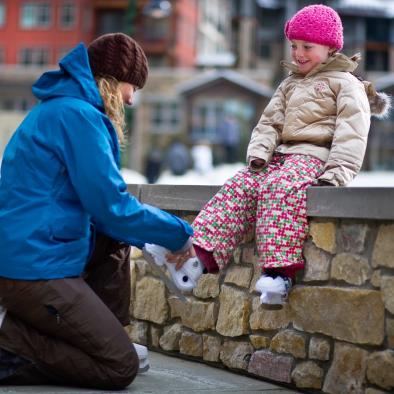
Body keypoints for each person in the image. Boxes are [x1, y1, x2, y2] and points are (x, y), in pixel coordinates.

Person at [0, 33, 194, 389]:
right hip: (34, 270)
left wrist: (153, 238)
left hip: (30, 256)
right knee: (120, 366)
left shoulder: (60, 108)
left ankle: (97, 334)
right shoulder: (78, 116)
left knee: (114, 240)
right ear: (109, 80)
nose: (132, 98)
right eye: (131, 86)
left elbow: (106, 215)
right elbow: (112, 206)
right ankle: (11, 341)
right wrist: (179, 235)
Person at [189, 4, 391, 305]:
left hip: (313, 158)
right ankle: (199, 253)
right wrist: (259, 154)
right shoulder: (289, 84)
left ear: (330, 47)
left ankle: (278, 274)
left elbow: (352, 133)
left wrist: (336, 174)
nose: (298, 53)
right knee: (238, 185)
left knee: (279, 189)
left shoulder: (347, 84)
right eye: (294, 45)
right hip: (279, 158)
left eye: (307, 46)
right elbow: (269, 122)